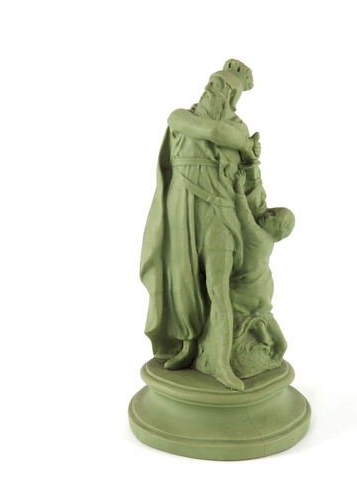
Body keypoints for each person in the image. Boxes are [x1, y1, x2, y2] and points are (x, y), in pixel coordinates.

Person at [140, 60, 261, 390]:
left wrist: (246, 151)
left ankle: (221, 362)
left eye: (219, 86)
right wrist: (243, 144)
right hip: (181, 207)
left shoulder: (239, 127)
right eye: (210, 82)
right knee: (183, 280)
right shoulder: (181, 117)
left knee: (218, 288)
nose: (209, 88)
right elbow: (216, 133)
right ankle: (188, 346)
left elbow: (247, 170)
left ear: (231, 97)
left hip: (220, 212)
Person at [230, 170, 295, 378]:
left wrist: (238, 189)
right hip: (263, 288)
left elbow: (244, 217)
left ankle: (257, 340)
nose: (268, 213)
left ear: (278, 231)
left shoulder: (258, 237)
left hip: (247, 289)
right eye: (272, 211)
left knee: (240, 315)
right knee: (264, 315)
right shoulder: (267, 242)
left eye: (273, 217)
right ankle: (277, 344)